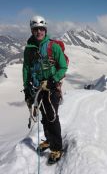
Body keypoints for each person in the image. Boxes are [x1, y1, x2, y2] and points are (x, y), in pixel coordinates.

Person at [23, 15, 68, 164]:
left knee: (52, 117)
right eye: (35, 29)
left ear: (45, 29)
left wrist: (52, 80)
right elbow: (27, 69)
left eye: (41, 29)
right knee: (44, 115)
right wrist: (26, 89)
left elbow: (63, 67)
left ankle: (57, 148)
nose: (39, 32)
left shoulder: (53, 47)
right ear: (32, 30)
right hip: (37, 88)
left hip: (52, 88)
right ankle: (49, 140)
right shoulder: (29, 49)